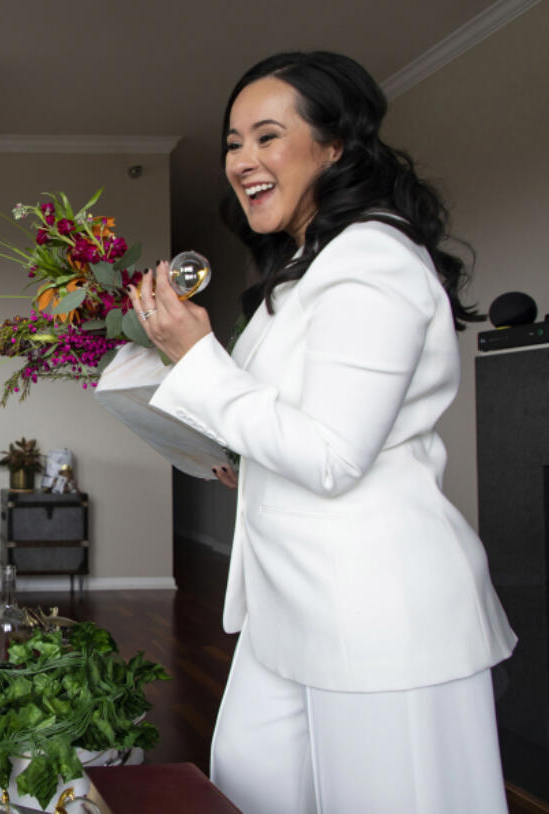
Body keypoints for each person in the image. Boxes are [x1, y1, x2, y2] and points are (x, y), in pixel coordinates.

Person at [128, 52, 516, 813]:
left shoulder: (372, 260)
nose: (243, 160)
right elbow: (301, 429)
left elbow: (334, 456)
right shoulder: (304, 269)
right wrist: (244, 459)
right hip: (288, 612)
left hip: (378, 615)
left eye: (267, 136)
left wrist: (196, 356)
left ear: (335, 146)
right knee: (246, 786)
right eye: (233, 143)